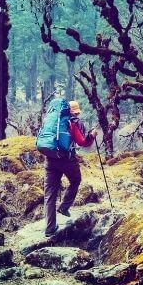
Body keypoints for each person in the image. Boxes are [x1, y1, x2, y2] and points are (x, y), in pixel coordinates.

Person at [43, 100, 97, 237]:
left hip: (50, 159)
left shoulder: (51, 121)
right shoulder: (71, 123)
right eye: (76, 112)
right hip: (67, 160)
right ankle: (64, 207)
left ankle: (49, 228)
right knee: (76, 180)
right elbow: (82, 142)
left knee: (50, 194)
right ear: (72, 112)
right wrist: (92, 136)